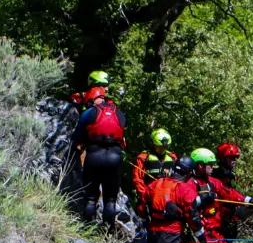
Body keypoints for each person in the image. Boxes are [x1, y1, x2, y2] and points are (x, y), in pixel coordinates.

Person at [141, 154, 203, 243]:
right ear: (188, 173)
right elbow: (193, 217)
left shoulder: (155, 184)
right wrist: (201, 237)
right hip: (172, 237)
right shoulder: (185, 190)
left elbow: (141, 208)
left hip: (153, 235)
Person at [72, 79, 126, 227]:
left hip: (94, 156)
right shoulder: (118, 112)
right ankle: (108, 231)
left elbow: (77, 136)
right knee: (110, 199)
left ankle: (87, 228)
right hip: (114, 157)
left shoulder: (89, 112)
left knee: (90, 197)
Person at [132, 128, 176, 203]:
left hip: (169, 197)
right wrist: (145, 195)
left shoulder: (173, 158)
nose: (163, 148)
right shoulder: (143, 157)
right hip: (149, 196)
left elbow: (179, 178)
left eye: (165, 146)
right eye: (160, 146)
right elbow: (137, 179)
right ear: (154, 144)